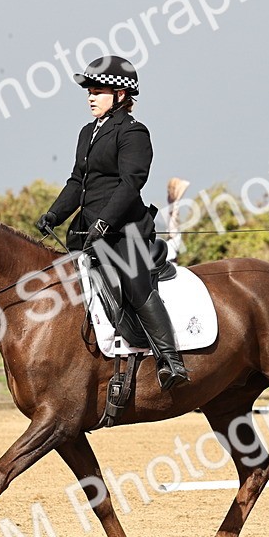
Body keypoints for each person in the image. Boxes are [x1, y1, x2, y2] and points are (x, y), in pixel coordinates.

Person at [35, 55, 190, 391]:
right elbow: (78, 181)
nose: (90, 95)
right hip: (86, 230)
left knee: (135, 285)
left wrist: (105, 222)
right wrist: (54, 214)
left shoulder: (134, 133)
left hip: (125, 230)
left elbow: (130, 182)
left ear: (120, 95)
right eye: (89, 90)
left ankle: (170, 359)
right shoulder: (87, 132)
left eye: (98, 89)